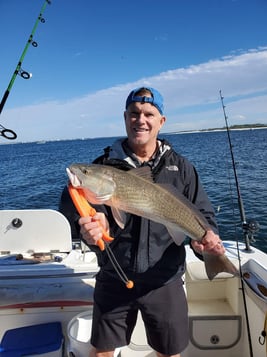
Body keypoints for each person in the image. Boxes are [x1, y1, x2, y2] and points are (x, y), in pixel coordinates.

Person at [59, 87, 225, 357]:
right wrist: (86, 226)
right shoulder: (103, 166)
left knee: (169, 353)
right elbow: (73, 209)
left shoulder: (182, 168)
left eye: (149, 113)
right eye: (134, 113)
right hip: (114, 276)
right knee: (101, 351)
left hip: (164, 279)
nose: (141, 120)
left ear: (162, 121)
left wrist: (206, 241)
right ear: (125, 117)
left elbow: (204, 214)